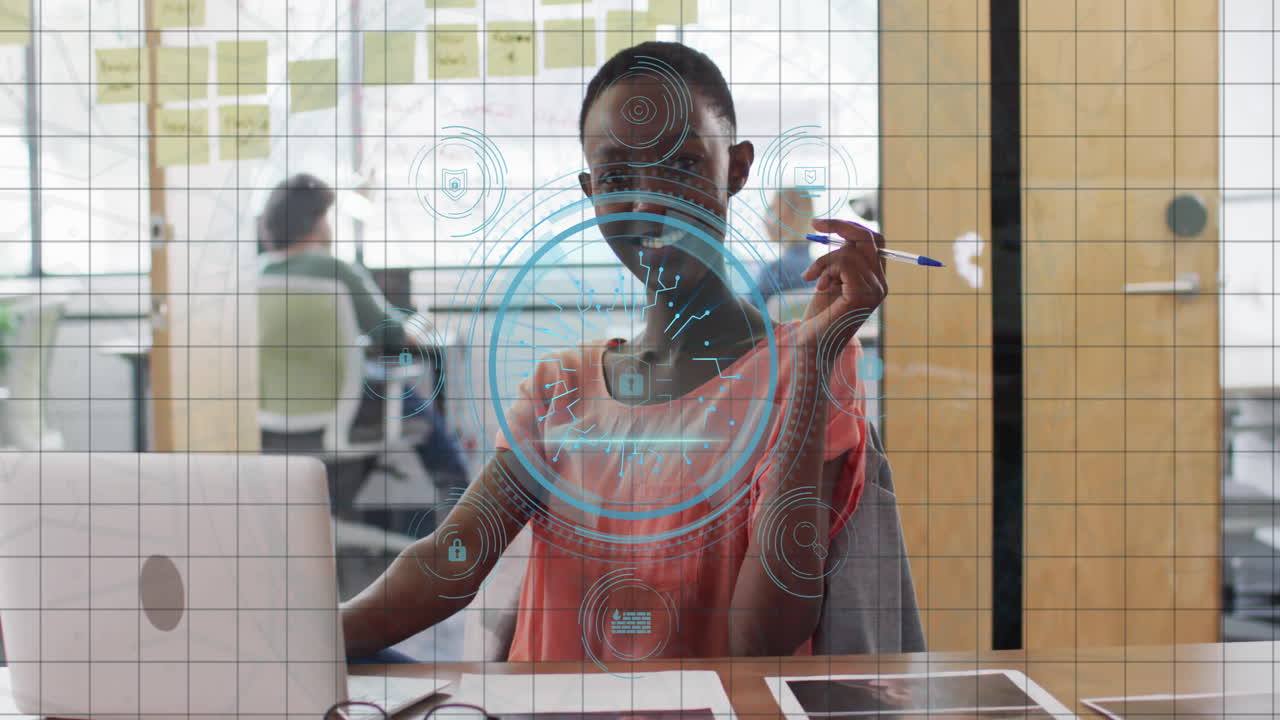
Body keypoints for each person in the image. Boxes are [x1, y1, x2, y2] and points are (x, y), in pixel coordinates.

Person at [340, 41, 887, 662]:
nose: (649, 201)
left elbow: (763, 637)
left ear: (736, 168)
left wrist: (814, 368)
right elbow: (451, 562)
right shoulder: (562, 389)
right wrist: (293, 642)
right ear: (589, 191)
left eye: (681, 164)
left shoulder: (807, 366)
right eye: (617, 178)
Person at [257, 173, 470, 505]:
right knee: (415, 402)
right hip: (339, 412)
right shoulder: (335, 271)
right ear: (317, 220)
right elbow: (392, 334)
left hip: (269, 424)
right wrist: (418, 328)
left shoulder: (256, 275)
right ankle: (462, 506)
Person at [755, 187, 817, 301]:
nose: (765, 216)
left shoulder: (775, 272)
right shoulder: (821, 273)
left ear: (788, 216)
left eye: (772, 209)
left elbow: (742, 316)